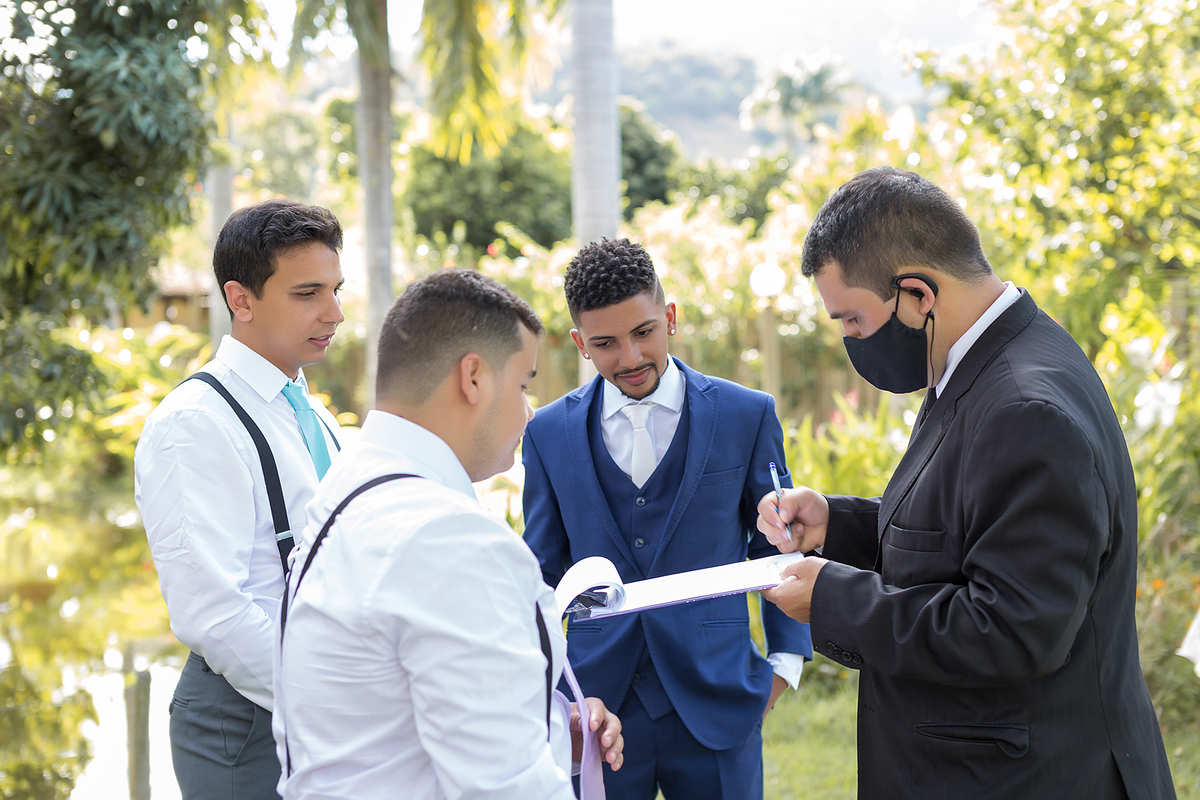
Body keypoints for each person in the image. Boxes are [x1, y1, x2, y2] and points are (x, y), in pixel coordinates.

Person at [757, 166, 1176, 799]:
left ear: (918, 296)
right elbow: (970, 531)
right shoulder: (985, 355)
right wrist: (836, 525)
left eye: (853, 321)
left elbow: (1009, 631)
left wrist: (833, 599)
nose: (849, 340)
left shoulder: (1025, 408)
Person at [272, 269, 624, 799]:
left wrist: (550, 733)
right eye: (523, 385)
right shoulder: (447, 537)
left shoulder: (346, 491)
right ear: (474, 377)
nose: (529, 412)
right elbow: (505, 789)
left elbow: (385, 720)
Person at [522, 238, 813, 800]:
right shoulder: (547, 433)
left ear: (670, 317)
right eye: (605, 343)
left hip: (719, 699)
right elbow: (542, 575)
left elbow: (778, 545)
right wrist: (553, 696)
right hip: (598, 712)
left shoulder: (746, 414)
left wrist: (783, 667)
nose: (630, 357)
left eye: (644, 332)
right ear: (581, 344)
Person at [135, 199, 347, 799]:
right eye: (307, 293)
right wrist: (336, 697)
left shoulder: (313, 414)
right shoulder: (195, 422)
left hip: (323, 709)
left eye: (335, 290)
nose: (334, 313)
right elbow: (214, 613)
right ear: (241, 299)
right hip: (248, 722)